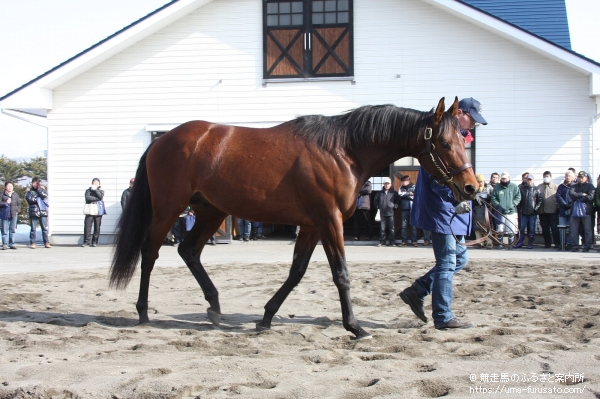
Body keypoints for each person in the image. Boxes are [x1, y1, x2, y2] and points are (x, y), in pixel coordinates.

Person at [398, 96, 486, 330]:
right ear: (459, 114)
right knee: (447, 262)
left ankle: (417, 290)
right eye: (472, 118)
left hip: (449, 211)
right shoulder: (443, 137)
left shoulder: (454, 138)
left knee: (460, 259)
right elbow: (441, 176)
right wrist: (461, 195)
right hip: (443, 210)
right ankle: (443, 316)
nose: (474, 124)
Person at [491, 172, 520, 249]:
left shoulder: (514, 186)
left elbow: (518, 197)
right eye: (503, 178)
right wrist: (498, 205)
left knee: (511, 229)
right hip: (500, 212)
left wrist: (513, 204)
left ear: (509, 178)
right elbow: (493, 197)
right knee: (500, 228)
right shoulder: (497, 187)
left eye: (505, 178)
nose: (504, 180)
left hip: (511, 212)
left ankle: (510, 244)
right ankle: (500, 244)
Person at [568, 171, 595, 252]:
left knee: (587, 230)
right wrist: (582, 194)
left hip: (586, 210)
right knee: (574, 230)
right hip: (575, 211)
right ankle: (574, 246)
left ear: (586, 178)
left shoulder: (590, 186)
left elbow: (590, 197)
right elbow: (571, 195)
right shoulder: (573, 186)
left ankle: (587, 246)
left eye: (582, 177)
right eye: (579, 177)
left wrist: (579, 198)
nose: (581, 178)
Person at [513, 174, 542, 249]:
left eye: (530, 179)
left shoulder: (536, 189)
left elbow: (540, 200)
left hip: (533, 213)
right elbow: (518, 199)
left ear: (533, 180)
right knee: (521, 228)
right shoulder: (522, 189)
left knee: (532, 228)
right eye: (528, 179)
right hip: (523, 212)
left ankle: (530, 243)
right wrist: (519, 208)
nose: (529, 181)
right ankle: (520, 242)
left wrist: (535, 209)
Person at [537, 171, 560, 249]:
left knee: (554, 228)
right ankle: (547, 243)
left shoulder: (555, 187)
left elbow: (558, 198)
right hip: (542, 211)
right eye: (544, 176)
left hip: (553, 211)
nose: (546, 178)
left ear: (551, 177)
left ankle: (557, 243)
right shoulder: (539, 187)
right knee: (545, 229)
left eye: (547, 176)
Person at [25, 178, 51, 249]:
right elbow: (29, 199)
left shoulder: (43, 190)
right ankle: (32, 242)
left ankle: (46, 242)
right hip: (33, 211)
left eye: (37, 183)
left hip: (42, 211)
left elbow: (44, 196)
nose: (36, 184)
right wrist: (37, 199)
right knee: (33, 229)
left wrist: (39, 189)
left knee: (44, 228)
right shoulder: (30, 191)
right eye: (35, 183)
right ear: (32, 183)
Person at [374, 178, 398, 247]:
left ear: (391, 184)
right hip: (382, 212)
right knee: (382, 228)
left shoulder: (394, 193)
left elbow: (397, 201)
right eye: (385, 184)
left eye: (388, 184)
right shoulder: (379, 193)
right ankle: (382, 242)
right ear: (384, 185)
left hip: (391, 212)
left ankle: (392, 242)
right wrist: (377, 207)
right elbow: (375, 201)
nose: (387, 185)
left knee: (391, 228)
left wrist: (395, 206)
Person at [82, 178, 106, 247]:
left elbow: (100, 197)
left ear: (99, 184)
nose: (95, 184)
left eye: (97, 183)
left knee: (97, 226)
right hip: (89, 208)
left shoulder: (101, 191)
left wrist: (95, 190)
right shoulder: (88, 190)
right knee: (87, 226)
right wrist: (96, 198)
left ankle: (94, 241)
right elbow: (87, 198)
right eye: (94, 182)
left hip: (98, 209)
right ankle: (86, 241)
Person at [472, 174, 492, 249]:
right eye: (478, 181)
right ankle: (479, 242)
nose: (480, 183)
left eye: (481, 181)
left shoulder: (489, 188)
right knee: (477, 227)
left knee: (488, 226)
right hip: (477, 208)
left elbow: (493, 197)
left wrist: (487, 197)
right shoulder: (474, 189)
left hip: (486, 208)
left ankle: (489, 242)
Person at [556, 170, 575, 250]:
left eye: (569, 175)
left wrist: (571, 204)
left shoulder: (575, 186)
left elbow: (576, 196)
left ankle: (569, 243)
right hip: (563, 210)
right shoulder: (561, 186)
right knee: (561, 229)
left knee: (572, 228)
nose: (568, 177)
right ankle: (562, 244)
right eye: (566, 175)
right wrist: (564, 204)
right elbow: (558, 196)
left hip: (572, 210)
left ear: (573, 177)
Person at [397, 175, 417, 246]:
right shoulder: (400, 188)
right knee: (403, 226)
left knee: (413, 226)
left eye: (404, 181)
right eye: (402, 181)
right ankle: (404, 241)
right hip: (403, 209)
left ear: (408, 181)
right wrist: (409, 194)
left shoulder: (413, 187)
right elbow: (399, 194)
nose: (403, 182)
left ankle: (414, 241)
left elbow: (415, 196)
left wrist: (405, 195)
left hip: (412, 208)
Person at [0, 181, 21, 250]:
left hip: (14, 214)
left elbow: (19, 204)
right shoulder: (2, 194)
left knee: (12, 230)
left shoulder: (15, 195)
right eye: (8, 186)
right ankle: (5, 244)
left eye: (11, 186)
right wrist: (5, 203)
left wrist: (17, 211)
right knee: (4, 230)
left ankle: (12, 244)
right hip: (5, 214)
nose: (10, 187)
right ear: (5, 187)